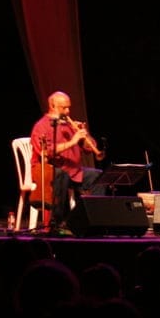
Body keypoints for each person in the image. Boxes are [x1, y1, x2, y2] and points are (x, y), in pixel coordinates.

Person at [30, 90, 106, 230]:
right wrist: (72, 141)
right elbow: (45, 151)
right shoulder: (42, 126)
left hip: (73, 171)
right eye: (63, 107)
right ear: (52, 106)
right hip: (47, 172)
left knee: (98, 176)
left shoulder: (69, 125)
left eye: (68, 107)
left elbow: (90, 149)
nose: (68, 111)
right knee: (60, 174)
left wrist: (84, 134)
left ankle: (94, 220)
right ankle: (57, 222)